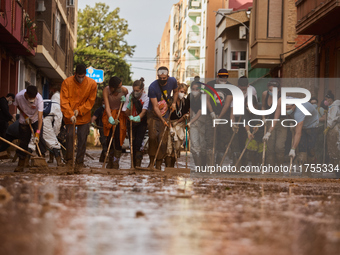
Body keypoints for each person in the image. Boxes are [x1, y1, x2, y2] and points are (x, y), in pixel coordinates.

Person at [60, 64, 97, 173]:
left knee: (82, 139)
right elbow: (64, 101)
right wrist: (70, 114)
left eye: (83, 76)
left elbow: (91, 101)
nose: (81, 78)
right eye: (79, 76)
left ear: (85, 75)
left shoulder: (92, 84)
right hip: (69, 117)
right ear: (75, 74)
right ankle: (69, 161)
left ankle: (79, 162)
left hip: (84, 116)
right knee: (70, 136)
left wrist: (80, 110)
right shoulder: (67, 82)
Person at [147, 66, 178, 170]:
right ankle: (151, 162)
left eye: (164, 79)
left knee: (163, 140)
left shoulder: (173, 81)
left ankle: (159, 163)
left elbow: (176, 91)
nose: (162, 80)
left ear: (167, 77)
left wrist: (173, 103)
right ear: (158, 76)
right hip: (153, 115)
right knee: (152, 137)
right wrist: (162, 119)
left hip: (166, 113)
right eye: (160, 78)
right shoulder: (152, 87)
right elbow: (155, 107)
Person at [13, 85, 44, 172]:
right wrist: (24, 114)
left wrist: (37, 133)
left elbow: (40, 118)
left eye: (33, 98)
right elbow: (17, 105)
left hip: (36, 118)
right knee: (23, 141)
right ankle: (21, 163)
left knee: (40, 139)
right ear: (26, 94)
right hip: (24, 119)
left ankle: (41, 160)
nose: (31, 100)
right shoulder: (19, 96)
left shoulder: (39, 99)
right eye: (30, 98)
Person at [205, 69, 234, 165]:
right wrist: (212, 113)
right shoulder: (210, 84)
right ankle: (210, 165)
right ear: (217, 77)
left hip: (223, 117)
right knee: (210, 141)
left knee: (222, 142)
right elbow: (207, 100)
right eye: (222, 78)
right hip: (210, 116)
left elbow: (227, 104)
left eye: (225, 78)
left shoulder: (230, 87)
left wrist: (219, 117)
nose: (223, 80)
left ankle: (218, 164)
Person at [102, 76, 128, 169]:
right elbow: (107, 106)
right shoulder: (106, 90)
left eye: (121, 86)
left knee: (118, 138)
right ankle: (110, 159)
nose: (120, 88)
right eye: (118, 87)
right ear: (112, 87)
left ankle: (116, 161)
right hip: (110, 114)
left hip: (120, 115)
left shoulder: (124, 90)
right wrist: (110, 118)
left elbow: (128, 102)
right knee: (109, 138)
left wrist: (125, 101)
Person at [123, 78, 149, 167]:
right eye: (134, 90)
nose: (135, 92)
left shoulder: (146, 98)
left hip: (141, 123)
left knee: (138, 143)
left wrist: (137, 118)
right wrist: (129, 105)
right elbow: (125, 111)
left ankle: (137, 164)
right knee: (132, 144)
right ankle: (133, 164)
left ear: (142, 89)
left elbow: (144, 112)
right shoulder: (129, 97)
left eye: (137, 90)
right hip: (130, 123)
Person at [261, 79, 287, 166]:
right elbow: (263, 106)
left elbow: (276, 117)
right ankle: (271, 169)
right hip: (269, 121)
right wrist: (263, 117)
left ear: (278, 89)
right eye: (270, 90)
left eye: (273, 90)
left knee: (279, 147)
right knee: (270, 148)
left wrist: (269, 132)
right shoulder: (265, 94)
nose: (271, 92)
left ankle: (279, 168)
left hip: (280, 122)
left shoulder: (280, 98)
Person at [166, 83, 190, 167]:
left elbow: (188, 113)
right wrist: (170, 126)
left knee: (177, 146)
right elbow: (166, 114)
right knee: (169, 146)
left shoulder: (186, 101)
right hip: (170, 124)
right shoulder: (170, 100)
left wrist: (185, 118)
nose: (182, 93)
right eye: (180, 91)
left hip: (180, 124)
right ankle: (168, 167)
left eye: (184, 92)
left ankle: (172, 166)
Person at [43, 87, 64, 166]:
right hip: (46, 124)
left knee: (33, 141)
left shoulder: (44, 101)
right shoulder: (57, 106)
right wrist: (55, 134)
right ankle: (59, 162)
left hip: (36, 125)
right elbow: (58, 123)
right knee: (53, 142)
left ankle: (23, 163)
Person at [188, 80, 206, 166]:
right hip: (193, 121)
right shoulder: (190, 96)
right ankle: (198, 166)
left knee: (203, 145)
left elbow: (200, 112)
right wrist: (188, 119)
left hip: (203, 121)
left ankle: (203, 167)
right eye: (193, 89)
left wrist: (190, 121)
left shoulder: (203, 97)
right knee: (195, 145)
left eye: (197, 89)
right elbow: (190, 110)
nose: (195, 90)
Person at [323, 91, 340, 176]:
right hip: (333, 128)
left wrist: (328, 127)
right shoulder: (331, 107)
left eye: (326, 99)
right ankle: (335, 169)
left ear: (330, 99)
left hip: (333, 129)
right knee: (332, 148)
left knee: (334, 149)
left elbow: (333, 119)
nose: (325, 101)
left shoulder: (334, 107)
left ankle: (337, 170)